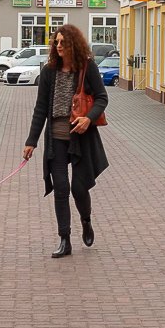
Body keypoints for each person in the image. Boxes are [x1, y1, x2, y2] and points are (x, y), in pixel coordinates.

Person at [22, 24, 109, 258]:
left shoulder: (86, 67)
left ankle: (86, 221)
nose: (58, 46)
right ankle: (64, 239)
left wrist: (88, 119)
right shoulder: (49, 71)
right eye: (56, 42)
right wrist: (32, 141)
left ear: (74, 45)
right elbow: (40, 109)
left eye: (63, 43)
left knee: (79, 189)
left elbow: (102, 98)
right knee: (61, 189)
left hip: (81, 138)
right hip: (56, 139)